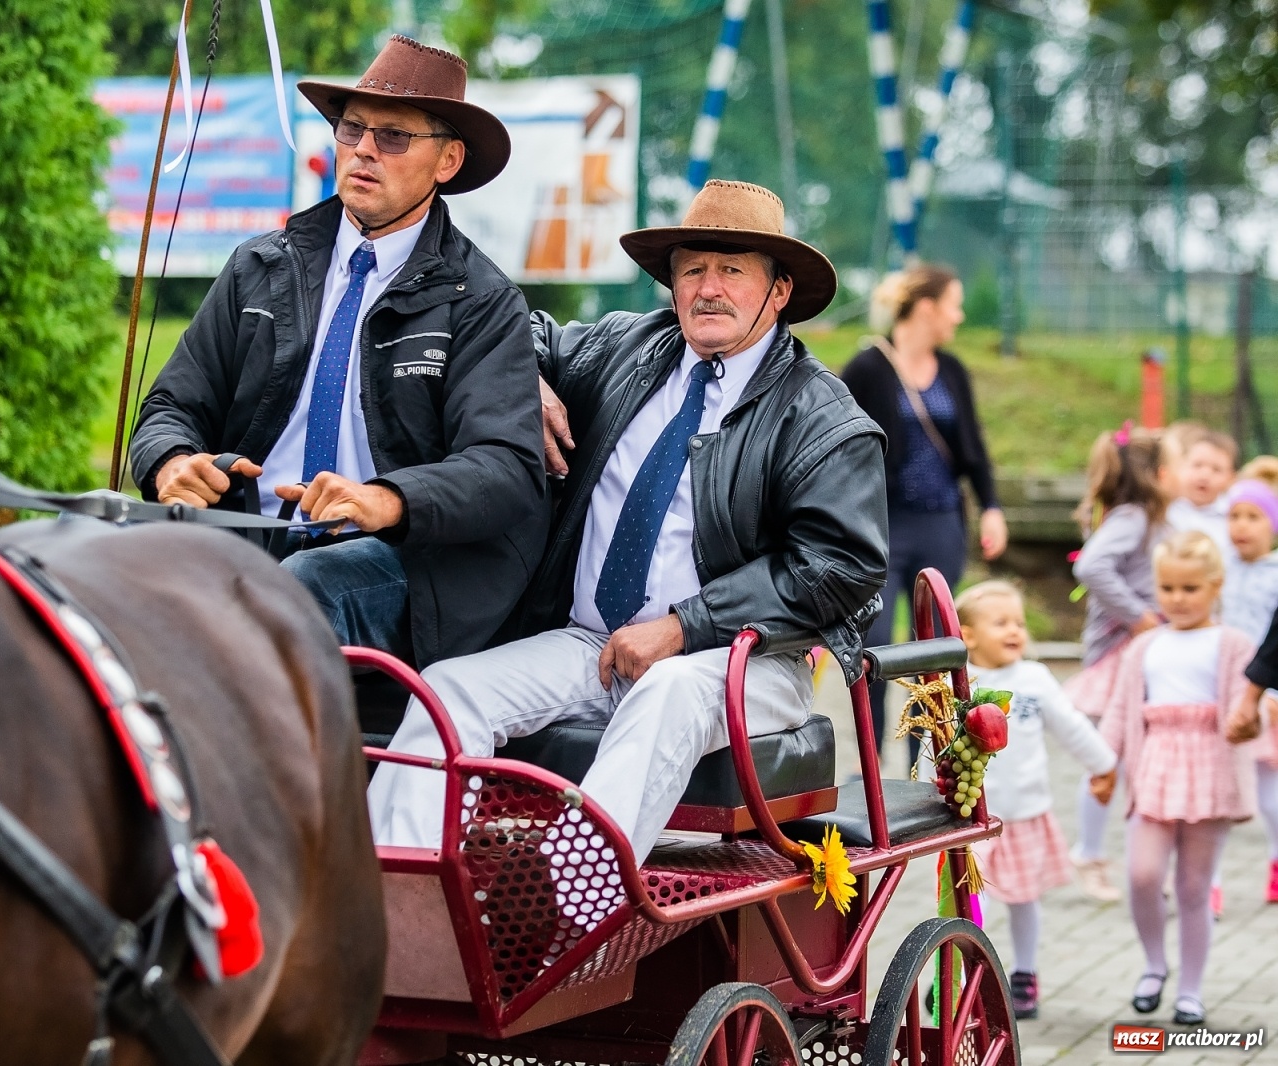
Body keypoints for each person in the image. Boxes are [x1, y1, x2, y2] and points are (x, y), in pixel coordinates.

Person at [368, 180, 888, 863]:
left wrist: (685, 627)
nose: (708, 289)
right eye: (692, 269)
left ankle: (564, 913)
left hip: (743, 660)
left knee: (670, 690)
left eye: (732, 271)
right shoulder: (621, 348)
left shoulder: (824, 418)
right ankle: (403, 902)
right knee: (448, 691)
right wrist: (525, 377)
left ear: (779, 291)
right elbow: (506, 326)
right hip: (592, 642)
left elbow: (839, 567)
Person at [128, 35, 548, 667]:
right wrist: (169, 461)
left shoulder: (481, 299)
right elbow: (170, 405)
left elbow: (507, 469)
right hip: (249, 532)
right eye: (352, 129)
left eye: (395, 137)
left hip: (401, 561)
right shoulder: (258, 267)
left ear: (449, 161)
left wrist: (386, 499)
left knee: (298, 592)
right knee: (88, 569)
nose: (364, 151)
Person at [840, 264, 1007, 769]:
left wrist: (991, 506)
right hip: (881, 526)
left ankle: (925, 761)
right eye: (953, 304)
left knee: (931, 647)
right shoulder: (867, 368)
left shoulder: (951, 369)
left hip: (941, 523)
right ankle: (870, 762)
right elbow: (843, 450)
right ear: (927, 307)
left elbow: (973, 446)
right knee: (870, 645)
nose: (958, 316)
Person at [1091, 532, 1258, 1027]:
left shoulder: (1234, 644)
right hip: (1156, 765)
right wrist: (1103, 764)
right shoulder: (1144, 646)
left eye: (1190, 589)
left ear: (1215, 587)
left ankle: (1191, 990)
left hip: (1210, 769)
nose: (1178, 599)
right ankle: (1154, 964)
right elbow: (1121, 713)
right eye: (1168, 588)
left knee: (1193, 886)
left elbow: (1250, 708)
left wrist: (1251, 721)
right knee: (1142, 875)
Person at [946, 581, 1115, 1021]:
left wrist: (1103, 765)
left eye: (1018, 622)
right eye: (1000, 623)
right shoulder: (956, 684)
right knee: (966, 900)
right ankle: (963, 977)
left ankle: (1024, 971)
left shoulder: (1035, 679)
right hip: (969, 817)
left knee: (1024, 899)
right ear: (968, 635)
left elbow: (1072, 726)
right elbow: (941, 748)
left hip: (1022, 813)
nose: (1014, 630)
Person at [1065, 426, 1173, 902]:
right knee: (1108, 759)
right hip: (1119, 659)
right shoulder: (1132, 518)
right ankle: (1089, 853)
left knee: (1135, 763)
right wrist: (1141, 617)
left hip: (1142, 656)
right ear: (1156, 474)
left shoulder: (1149, 517)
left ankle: (1137, 862)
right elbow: (1090, 567)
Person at [1220, 473, 1278, 904]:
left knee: (1269, 793)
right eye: (1234, 516)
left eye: (1253, 516)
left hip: (1267, 693)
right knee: (1217, 791)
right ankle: (1212, 881)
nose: (1241, 525)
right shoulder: (1217, 568)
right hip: (1223, 692)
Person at [1167, 426, 1238, 560]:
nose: (1205, 475)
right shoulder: (1166, 509)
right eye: (1197, 465)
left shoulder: (1233, 516)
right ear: (1181, 465)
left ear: (1231, 478)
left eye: (1216, 470)